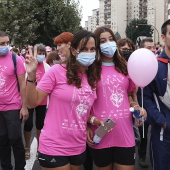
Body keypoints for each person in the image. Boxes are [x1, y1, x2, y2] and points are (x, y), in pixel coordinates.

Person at [25, 30, 99, 170]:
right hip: (54, 145)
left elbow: (81, 109)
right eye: (84, 49)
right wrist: (31, 76)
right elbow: (32, 102)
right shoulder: (56, 71)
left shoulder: (92, 78)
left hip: (78, 145)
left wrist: (90, 123)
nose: (89, 53)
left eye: (92, 49)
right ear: (73, 50)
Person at [87, 26, 146, 170]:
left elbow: (129, 95)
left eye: (111, 39)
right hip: (100, 132)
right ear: (97, 45)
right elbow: (83, 102)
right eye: (103, 41)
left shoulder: (126, 67)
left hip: (124, 132)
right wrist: (88, 124)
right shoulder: (91, 70)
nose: (108, 43)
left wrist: (137, 108)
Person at [137, 19, 170, 170]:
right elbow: (144, 97)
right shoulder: (154, 66)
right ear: (163, 37)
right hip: (164, 135)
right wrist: (162, 121)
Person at [0, 31, 28, 170]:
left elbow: (23, 84)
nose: (6, 46)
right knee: (2, 141)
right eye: (2, 43)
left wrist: (24, 107)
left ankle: (20, 167)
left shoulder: (16, 59)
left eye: (7, 43)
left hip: (12, 106)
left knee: (15, 140)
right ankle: (5, 167)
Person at [24, 43, 50, 160]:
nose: (40, 56)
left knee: (40, 124)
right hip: (29, 100)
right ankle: (27, 147)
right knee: (28, 124)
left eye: (42, 53)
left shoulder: (47, 67)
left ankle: (40, 147)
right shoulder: (26, 65)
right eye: (38, 53)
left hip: (42, 101)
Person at [136, 37, 156, 168]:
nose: (152, 50)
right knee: (142, 133)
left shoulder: (158, 64)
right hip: (140, 104)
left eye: (153, 48)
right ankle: (141, 155)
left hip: (155, 106)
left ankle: (155, 155)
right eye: (148, 48)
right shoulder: (136, 65)